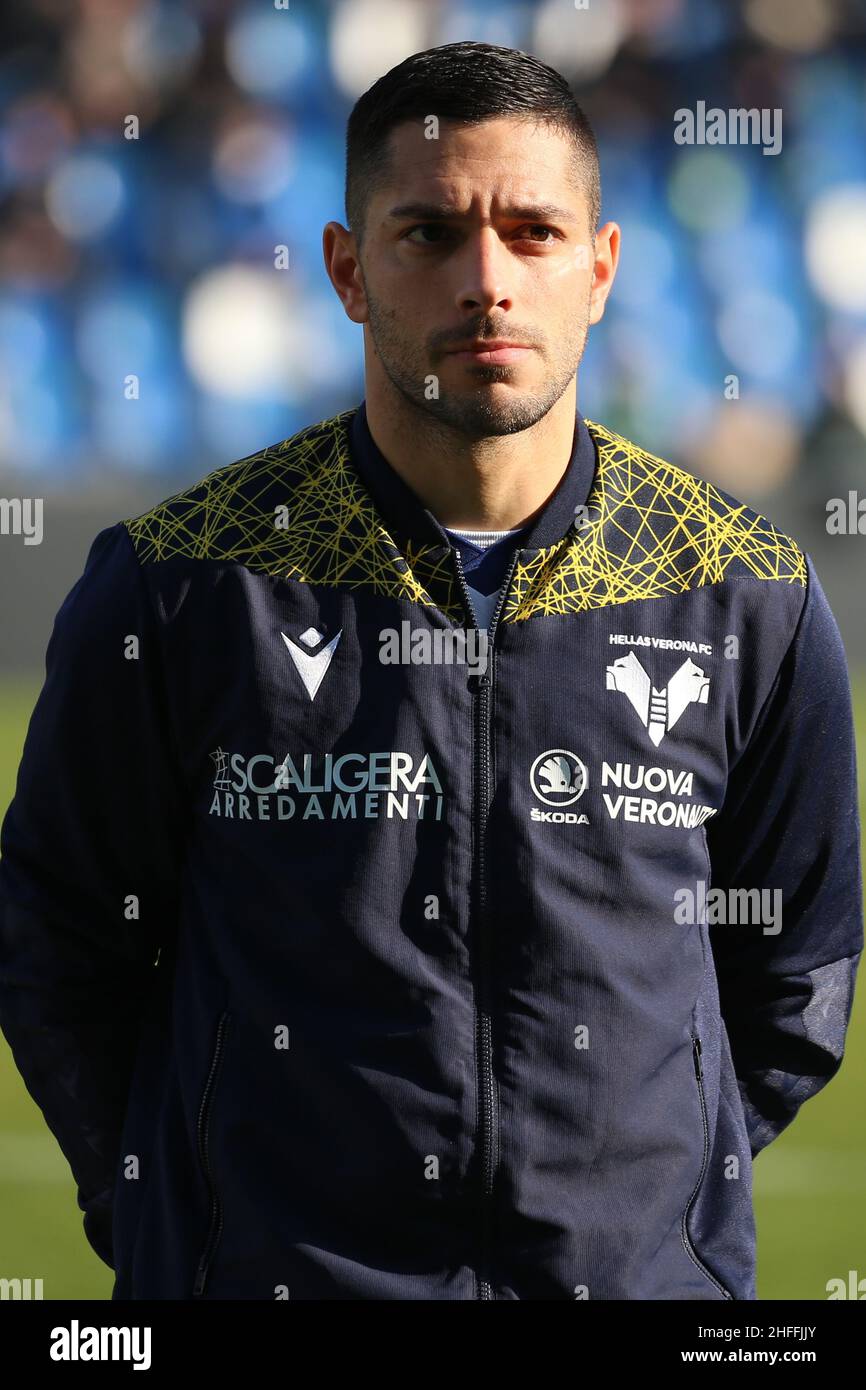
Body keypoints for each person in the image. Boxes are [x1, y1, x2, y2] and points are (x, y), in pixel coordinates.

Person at [0, 41, 861, 1302]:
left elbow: (795, 976)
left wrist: (634, 1209)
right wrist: (176, 1220)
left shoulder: (745, 594)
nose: (486, 281)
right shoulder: (179, 584)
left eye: (532, 232)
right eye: (428, 233)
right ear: (347, 269)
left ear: (601, 269)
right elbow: (58, 942)